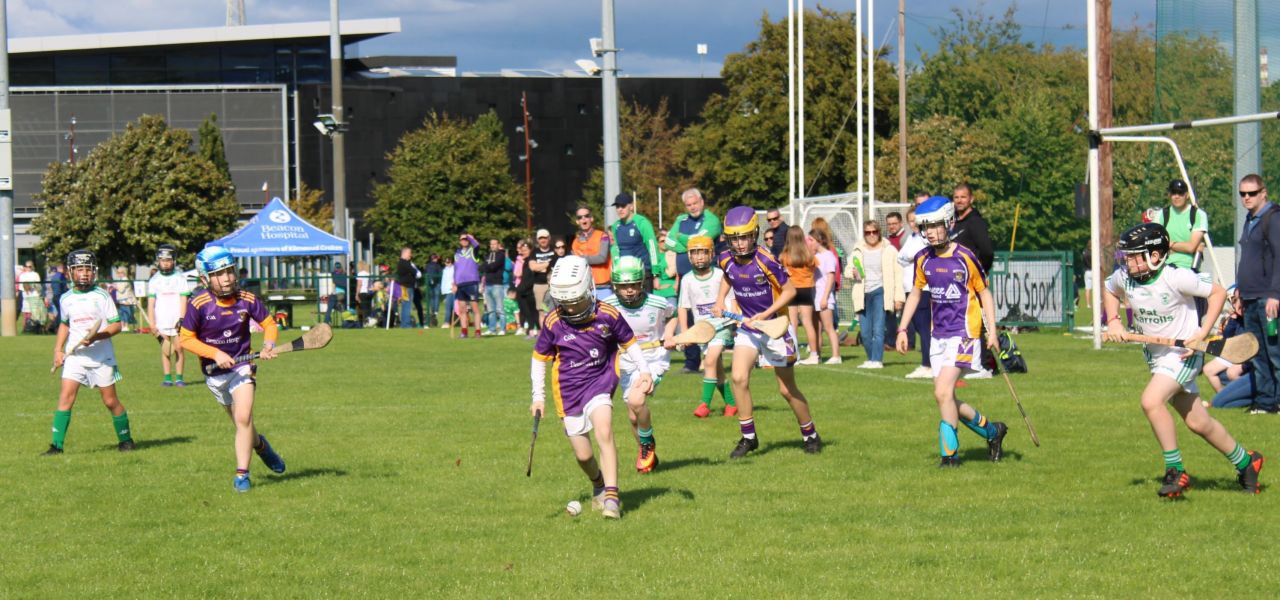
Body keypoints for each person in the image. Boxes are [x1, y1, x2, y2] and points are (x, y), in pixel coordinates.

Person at [1102, 223, 1264, 497]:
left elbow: (1218, 293)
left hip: (1184, 354)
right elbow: (1109, 289)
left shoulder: (1176, 277)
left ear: (1156, 255)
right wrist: (1115, 321)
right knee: (1198, 422)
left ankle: (1175, 470)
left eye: (1134, 255)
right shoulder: (1126, 277)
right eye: (1127, 256)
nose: (1128, 262)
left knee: (1151, 401)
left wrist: (1201, 332)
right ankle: (1246, 462)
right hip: (1157, 356)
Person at [530, 255, 654, 519]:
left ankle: (612, 496)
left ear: (589, 290)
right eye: (566, 304)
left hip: (600, 381)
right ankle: (598, 482)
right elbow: (539, 360)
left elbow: (629, 343)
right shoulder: (553, 322)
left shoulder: (607, 314)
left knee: (605, 430)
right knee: (583, 455)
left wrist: (645, 371)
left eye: (577, 302)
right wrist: (538, 397)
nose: (572, 309)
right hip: (568, 390)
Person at [895, 196, 1008, 468]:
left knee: (942, 393)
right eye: (926, 227)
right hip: (938, 336)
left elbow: (984, 292)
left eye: (936, 225)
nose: (931, 232)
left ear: (948, 223)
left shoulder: (965, 256)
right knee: (947, 397)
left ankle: (950, 456)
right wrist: (902, 328)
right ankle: (993, 432)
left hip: (965, 333)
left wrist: (991, 331)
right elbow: (915, 294)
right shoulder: (923, 259)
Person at [713, 206, 822, 458]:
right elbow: (728, 277)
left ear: (755, 234)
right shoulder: (725, 258)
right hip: (748, 329)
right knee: (739, 377)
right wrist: (720, 300)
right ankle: (748, 436)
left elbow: (790, 291)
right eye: (734, 238)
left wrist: (765, 313)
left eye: (744, 237)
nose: (740, 244)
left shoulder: (766, 260)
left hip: (776, 327)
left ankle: (810, 433)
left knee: (786, 389)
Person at [179, 245, 287, 493]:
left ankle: (242, 475)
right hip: (214, 374)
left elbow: (269, 324)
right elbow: (185, 339)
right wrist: (216, 353)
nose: (226, 278)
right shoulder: (199, 304)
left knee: (243, 417)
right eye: (219, 273)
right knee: (242, 425)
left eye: (229, 271)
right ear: (205, 278)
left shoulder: (247, 300)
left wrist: (269, 343)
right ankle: (260, 446)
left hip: (243, 368)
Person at [43, 249, 136, 456]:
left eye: (88, 269)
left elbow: (116, 326)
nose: (84, 273)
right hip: (75, 357)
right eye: (79, 269)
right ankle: (56, 446)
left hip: (101, 357)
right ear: (70, 272)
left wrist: (96, 337)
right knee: (66, 398)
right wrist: (58, 350)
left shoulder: (102, 296)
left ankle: (126, 440)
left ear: (94, 271)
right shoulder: (66, 298)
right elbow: (65, 325)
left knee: (110, 401)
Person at [604, 256, 677, 473]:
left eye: (633, 285)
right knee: (632, 415)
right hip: (626, 361)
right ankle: (646, 454)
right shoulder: (608, 306)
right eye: (623, 286)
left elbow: (673, 316)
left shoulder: (657, 303)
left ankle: (648, 444)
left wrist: (671, 334)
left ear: (641, 283)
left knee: (637, 400)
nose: (628, 290)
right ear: (616, 285)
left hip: (654, 358)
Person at [1233, 174, 1280, 415]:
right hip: (1250, 296)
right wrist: (1239, 290)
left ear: (1264, 192)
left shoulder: (1273, 218)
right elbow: (1248, 259)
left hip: (1267, 298)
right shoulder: (1250, 219)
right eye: (1242, 194)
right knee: (1257, 352)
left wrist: (1275, 294)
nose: (1246, 198)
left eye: (1251, 193)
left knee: (1275, 353)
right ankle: (1265, 402)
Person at [675, 235, 737, 418]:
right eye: (695, 253)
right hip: (702, 330)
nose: (699, 257)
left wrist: (734, 317)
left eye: (703, 252)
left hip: (722, 325)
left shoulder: (720, 275)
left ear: (711, 254)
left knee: (709, 361)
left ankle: (704, 405)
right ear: (689, 256)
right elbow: (682, 307)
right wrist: (685, 332)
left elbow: (732, 297)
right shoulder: (687, 280)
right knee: (716, 367)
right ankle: (731, 404)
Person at [668, 189, 723, 374]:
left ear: (702, 201)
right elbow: (668, 240)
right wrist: (689, 242)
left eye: (695, 203)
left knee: (709, 314)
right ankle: (691, 362)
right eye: (688, 205)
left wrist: (682, 240)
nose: (692, 207)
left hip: (706, 276)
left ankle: (713, 357)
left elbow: (703, 239)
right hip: (685, 277)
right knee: (686, 317)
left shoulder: (712, 219)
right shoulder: (681, 220)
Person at [950, 183, 996, 379]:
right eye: (956, 197)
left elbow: (987, 250)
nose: (959, 200)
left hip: (974, 282)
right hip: (958, 284)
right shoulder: (956, 223)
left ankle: (985, 365)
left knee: (981, 322)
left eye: (963, 197)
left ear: (971, 199)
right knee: (965, 322)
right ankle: (969, 361)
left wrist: (980, 271)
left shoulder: (975, 222)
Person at [848, 219, 903, 369]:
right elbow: (848, 269)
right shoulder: (857, 249)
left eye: (874, 232)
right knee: (865, 332)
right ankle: (871, 358)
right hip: (862, 293)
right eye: (868, 232)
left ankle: (877, 360)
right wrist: (852, 273)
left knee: (878, 329)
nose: (871, 235)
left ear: (879, 232)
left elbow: (898, 274)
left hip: (881, 292)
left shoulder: (889, 250)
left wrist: (898, 298)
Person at [897, 205, 933, 379]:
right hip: (909, 289)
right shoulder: (912, 237)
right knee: (919, 327)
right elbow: (901, 257)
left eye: (915, 220)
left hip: (922, 289)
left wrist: (907, 257)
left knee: (924, 327)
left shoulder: (924, 238)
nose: (913, 224)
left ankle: (928, 364)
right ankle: (927, 361)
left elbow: (911, 255)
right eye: (910, 221)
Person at [147, 244, 190, 387]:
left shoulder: (180, 278)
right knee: (166, 350)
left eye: (168, 260)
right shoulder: (154, 280)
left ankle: (179, 378)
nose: (165, 263)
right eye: (162, 260)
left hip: (177, 320)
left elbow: (184, 299)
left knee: (179, 348)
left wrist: (182, 319)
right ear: (158, 261)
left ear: (174, 261)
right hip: (161, 321)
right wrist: (152, 323)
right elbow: (151, 304)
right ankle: (167, 378)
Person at [780, 227, 822, 365]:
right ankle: (814, 355)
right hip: (806, 290)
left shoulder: (785, 255)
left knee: (792, 324)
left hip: (791, 290)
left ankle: (794, 355)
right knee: (808, 323)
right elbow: (816, 266)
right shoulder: (809, 256)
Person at [609, 193, 660, 291]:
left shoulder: (641, 222)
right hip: (624, 273)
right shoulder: (616, 226)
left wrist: (656, 273)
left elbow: (652, 246)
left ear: (631, 206)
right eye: (617, 206)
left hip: (643, 272)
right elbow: (615, 249)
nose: (620, 209)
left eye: (623, 206)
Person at [809, 218, 843, 365]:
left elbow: (830, 278)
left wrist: (824, 297)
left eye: (811, 240)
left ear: (818, 240)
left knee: (829, 327)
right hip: (815, 296)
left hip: (824, 296)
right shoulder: (815, 257)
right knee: (816, 327)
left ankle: (836, 355)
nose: (809, 243)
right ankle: (817, 355)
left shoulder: (828, 256)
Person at [571, 206, 613, 300]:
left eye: (586, 216)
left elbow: (602, 258)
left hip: (603, 287)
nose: (583, 219)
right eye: (580, 217)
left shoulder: (603, 236)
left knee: (606, 315)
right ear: (577, 221)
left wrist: (582, 258)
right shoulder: (575, 242)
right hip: (584, 288)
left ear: (591, 218)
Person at [453, 233, 482, 338]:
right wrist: (454, 283)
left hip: (471, 282)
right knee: (462, 309)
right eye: (462, 239)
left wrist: (471, 237)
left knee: (475, 308)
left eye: (466, 239)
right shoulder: (457, 254)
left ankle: (478, 331)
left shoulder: (473, 251)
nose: (464, 241)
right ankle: (464, 332)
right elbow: (456, 269)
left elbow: (477, 246)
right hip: (460, 284)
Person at [481, 239, 509, 336]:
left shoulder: (501, 255)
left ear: (498, 245)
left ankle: (502, 329)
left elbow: (494, 266)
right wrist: (486, 266)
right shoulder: (488, 255)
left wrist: (486, 266)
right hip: (488, 284)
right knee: (490, 309)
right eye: (491, 244)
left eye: (494, 244)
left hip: (497, 284)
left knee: (500, 308)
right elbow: (482, 266)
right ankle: (492, 329)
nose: (492, 245)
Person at [513, 239, 540, 338]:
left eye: (525, 250)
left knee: (534, 312)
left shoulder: (532, 261)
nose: (523, 252)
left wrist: (525, 287)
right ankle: (531, 331)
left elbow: (532, 277)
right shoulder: (524, 262)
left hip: (530, 290)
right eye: (522, 250)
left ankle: (538, 331)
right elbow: (522, 277)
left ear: (530, 250)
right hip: (522, 290)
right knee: (526, 312)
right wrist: (520, 288)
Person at [529, 229, 555, 325]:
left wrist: (540, 266)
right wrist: (548, 263)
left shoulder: (554, 250)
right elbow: (533, 267)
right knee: (542, 311)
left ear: (549, 238)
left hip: (554, 285)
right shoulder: (534, 252)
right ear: (537, 240)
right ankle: (545, 335)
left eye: (545, 238)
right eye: (540, 238)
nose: (543, 240)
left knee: (555, 310)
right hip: (539, 285)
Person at [653, 229, 679, 310]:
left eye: (666, 241)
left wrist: (676, 283)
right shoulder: (654, 256)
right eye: (662, 241)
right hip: (657, 290)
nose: (664, 243)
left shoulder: (673, 254)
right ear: (657, 243)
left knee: (672, 313)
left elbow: (677, 271)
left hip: (670, 289)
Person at [394, 246, 417, 329]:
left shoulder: (402, 262)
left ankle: (403, 324)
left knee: (405, 305)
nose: (410, 255)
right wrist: (413, 269)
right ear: (405, 253)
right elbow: (414, 271)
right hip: (407, 287)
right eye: (410, 253)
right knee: (407, 305)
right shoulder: (404, 263)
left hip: (404, 287)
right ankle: (406, 324)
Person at [112, 267, 138, 332]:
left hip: (126, 300)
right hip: (120, 300)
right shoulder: (120, 279)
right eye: (117, 272)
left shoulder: (125, 279)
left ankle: (126, 326)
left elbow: (121, 289)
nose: (118, 274)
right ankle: (122, 326)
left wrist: (114, 286)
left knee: (126, 313)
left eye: (119, 272)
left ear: (123, 273)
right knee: (121, 314)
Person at [423, 254, 443, 328]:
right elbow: (441, 274)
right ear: (434, 259)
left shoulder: (427, 265)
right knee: (436, 297)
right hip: (436, 283)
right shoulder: (437, 266)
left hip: (429, 283)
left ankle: (432, 310)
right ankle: (435, 311)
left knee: (431, 297)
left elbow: (425, 273)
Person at [440, 256, 455, 330]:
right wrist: (443, 291)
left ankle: (447, 322)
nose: (446, 264)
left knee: (451, 308)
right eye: (445, 262)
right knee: (449, 307)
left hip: (452, 290)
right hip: (447, 291)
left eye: (448, 262)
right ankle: (447, 322)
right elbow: (444, 281)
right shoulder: (444, 270)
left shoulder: (454, 269)